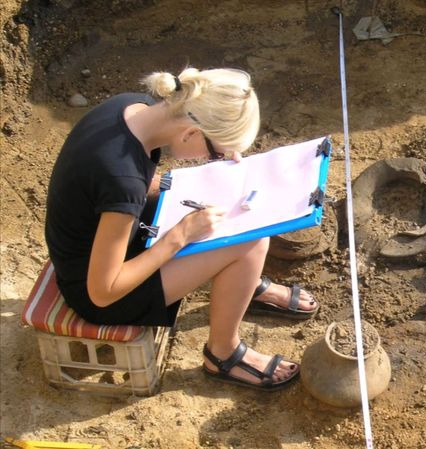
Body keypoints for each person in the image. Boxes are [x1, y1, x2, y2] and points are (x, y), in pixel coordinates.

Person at [44, 67, 318, 391]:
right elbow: (102, 292)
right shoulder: (122, 181)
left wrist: (208, 179)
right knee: (251, 241)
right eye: (216, 152)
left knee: (235, 222)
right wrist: (180, 236)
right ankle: (223, 354)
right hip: (95, 288)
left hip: (109, 237)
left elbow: (118, 187)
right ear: (190, 133)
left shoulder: (134, 107)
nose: (216, 159)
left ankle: (242, 280)